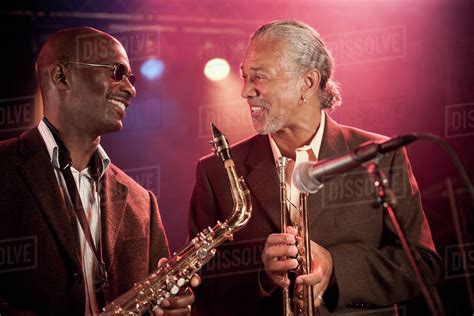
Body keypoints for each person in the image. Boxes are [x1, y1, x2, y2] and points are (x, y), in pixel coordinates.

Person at [188, 20, 442, 315]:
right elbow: (202, 285)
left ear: (307, 83)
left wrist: (335, 266)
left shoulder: (383, 156)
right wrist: (260, 278)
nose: (245, 91)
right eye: (244, 76)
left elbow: (423, 264)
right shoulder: (214, 172)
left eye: (259, 77)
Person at [0, 27, 197, 315]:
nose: (131, 89)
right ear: (61, 77)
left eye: (131, 78)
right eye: (117, 72)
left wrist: (171, 309)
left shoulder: (143, 201)